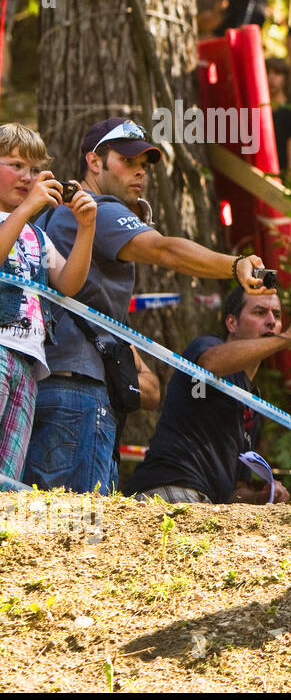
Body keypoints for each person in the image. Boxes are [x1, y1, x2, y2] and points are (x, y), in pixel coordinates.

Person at [22, 117, 273, 494]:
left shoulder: (49, 212)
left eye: (144, 164)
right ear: (94, 162)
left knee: (44, 526)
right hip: (77, 393)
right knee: (81, 532)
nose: (139, 171)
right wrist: (233, 265)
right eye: (126, 160)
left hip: (46, 384)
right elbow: (163, 249)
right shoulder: (98, 210)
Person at [122, 286, 291, 504]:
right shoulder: (206, 347)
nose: (271, 321)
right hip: (168, 489)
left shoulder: (252, 401)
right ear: (232, 323)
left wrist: (262, 495)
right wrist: (287, 338)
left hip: (207, 501)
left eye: (277, 315)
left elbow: (233, 492)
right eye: (260, 312)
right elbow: (210, 364)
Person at [0, 123, 97, 482]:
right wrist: (27, 207)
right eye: (15, 165)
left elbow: (68, 283)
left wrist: (87, 228)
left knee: (8, 474)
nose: (27, 177)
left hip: (29, 362)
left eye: (35, 169)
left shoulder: (36, 234)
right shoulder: (18, 219)